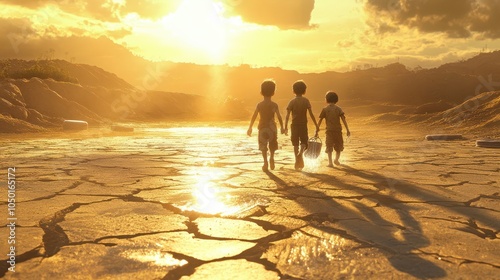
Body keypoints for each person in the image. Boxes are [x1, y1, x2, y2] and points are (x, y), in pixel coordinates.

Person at [247, 79, 285, 172]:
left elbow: (254, 116)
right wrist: (282, 127)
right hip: (272, 128)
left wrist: (250, 127)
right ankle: (271, 157)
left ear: (261, 92)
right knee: (272, 144)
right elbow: (279, 117)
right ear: (273, 92)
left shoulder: (259, 105)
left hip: (262, 128)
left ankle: (265, 162)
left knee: (263, 145)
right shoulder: (274, 105)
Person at [284, 80, 318, 170]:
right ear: (304, 90)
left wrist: (285, 127)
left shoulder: (292, 101)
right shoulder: (306, 101)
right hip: (303, 125)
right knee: (304, 142)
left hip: (294, 125)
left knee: (295, 143)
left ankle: (297, 159)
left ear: (293, 90)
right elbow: (311, 114)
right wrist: (316, 125)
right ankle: (300, 155)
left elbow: (287, 116)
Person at [316, 91, 351, 167]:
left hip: (329, 131)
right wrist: (347, 129)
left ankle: (330, 162)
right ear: (336, 99)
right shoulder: (339, 109)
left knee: (329, 146)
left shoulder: (325, 109)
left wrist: (317, 129)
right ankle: (336, 159)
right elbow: (343, 120)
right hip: (338, 130)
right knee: (338, 146)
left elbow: (320, 120)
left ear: (327, 99)